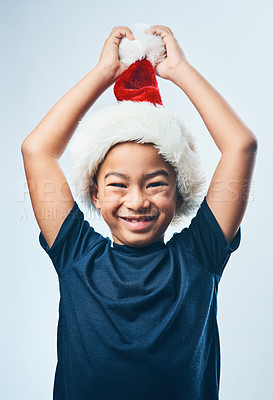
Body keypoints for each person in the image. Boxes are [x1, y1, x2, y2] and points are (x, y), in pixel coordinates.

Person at [21, 24, 257, 400]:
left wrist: (179, 71)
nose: (137, 201)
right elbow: (37, 150)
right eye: (118, 184)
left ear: (180, 194)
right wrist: (104, 74)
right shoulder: (75, 254)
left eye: (156, 183)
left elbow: (241, 146)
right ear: (94, 194)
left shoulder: (201, 255)